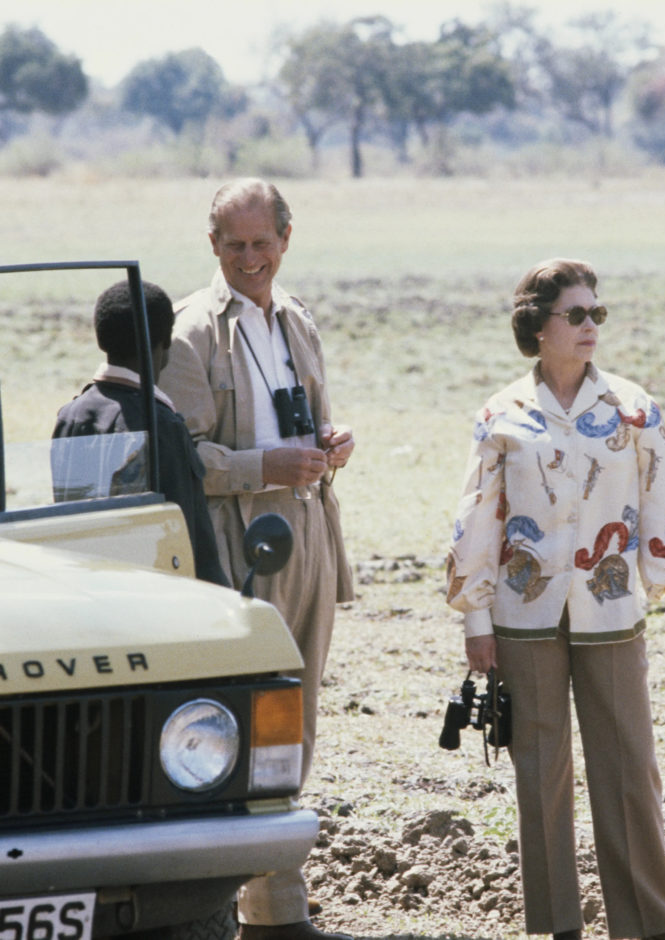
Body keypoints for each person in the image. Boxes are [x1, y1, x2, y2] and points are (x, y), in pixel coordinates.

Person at [445, 258, 665, 940]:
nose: (592, 326)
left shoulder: (635, 408)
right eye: (577, 314)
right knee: (539, 775)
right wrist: (477, 619)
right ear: (538, 326)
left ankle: (653, 925)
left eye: (599, 313)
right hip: (522, 616)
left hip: (614, 614)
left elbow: (661, 505)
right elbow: (478, 519)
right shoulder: (501, 415)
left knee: (629, 770)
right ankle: (554, 928)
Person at [158, 179, 354, 940]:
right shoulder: (192, 331)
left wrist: (333, 445)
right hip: (241, 543)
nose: (249, 259)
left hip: (307, 530)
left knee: (298, 721)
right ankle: (262, 914)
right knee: (254, 723)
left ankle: (273, 909)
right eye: (233, 245)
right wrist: (262, 469)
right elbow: (180, 457)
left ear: (285, 239)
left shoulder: (296, 316)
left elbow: (312, 419)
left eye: (260, 244)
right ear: (213, 246)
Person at [53, 279, 228, 586]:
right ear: (166, 343)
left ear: (101, 340)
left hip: (86, 589)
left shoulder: (71, 415)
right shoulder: (162, 425)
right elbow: (188, 540)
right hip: (150, 595)